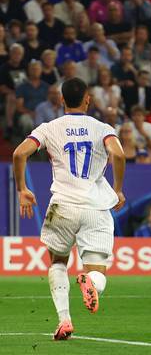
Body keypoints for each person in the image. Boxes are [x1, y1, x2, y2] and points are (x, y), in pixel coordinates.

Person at [12, 77, 126, 341]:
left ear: (61, 100)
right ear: (88, 99)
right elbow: (118, 154)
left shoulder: (50, 127)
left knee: (58, 261)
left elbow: (19, 153)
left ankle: (64, 320)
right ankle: (90, 283)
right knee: (97, 271)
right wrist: (118, 188)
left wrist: (22, 189)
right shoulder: (102, 128)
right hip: (96, 208)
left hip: (61, 205)